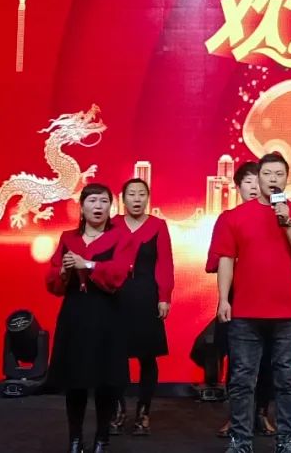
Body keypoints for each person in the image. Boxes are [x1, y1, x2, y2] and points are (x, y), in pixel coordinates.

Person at [212, 152, 291, 453]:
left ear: (287, 178)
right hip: (245, 312)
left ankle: (286, 441)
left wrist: (287, 222)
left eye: (279, 174)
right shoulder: (234, 217)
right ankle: (240, 441)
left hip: (287, 313)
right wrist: (223, 299)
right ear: (257, 178)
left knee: (287, 379)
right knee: (242, 379)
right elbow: (226, 260)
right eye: (267, 174)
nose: (273, 179)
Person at [46, 183, 137, 453]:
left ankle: (101, 439)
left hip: (108, 314)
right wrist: (63, 272)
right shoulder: (68, 238)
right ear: (82, 206)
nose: (98, 207)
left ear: (111, 207)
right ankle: (75, 440)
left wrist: (88, 264)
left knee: (105, 381)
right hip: (75, 314)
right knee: (75, 380)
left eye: (104, 201)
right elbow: (52, 280)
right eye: (92, 201)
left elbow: (119, 274)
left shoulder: (121, 237)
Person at [207, 163, 276, 439]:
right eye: (247, 182)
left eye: (257, 181)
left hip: (269, 296)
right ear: (237, 187)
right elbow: (215, 260)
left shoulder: (277, 216)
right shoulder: (229, 219)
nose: (253, 187)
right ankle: (236, 416)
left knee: (268, 359)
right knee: (238, 361)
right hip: (238, 297)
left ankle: (261, 412)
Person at [110, 177, 174, 436]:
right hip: (116, 296)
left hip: (147, 296)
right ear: (122, 198)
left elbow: (165, 263)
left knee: (147, 356)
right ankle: (118, 411)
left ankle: (143, 413)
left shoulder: (158, 226)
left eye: (141, 194)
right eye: (131, 194)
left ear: (148, 198)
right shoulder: (112, 224)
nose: (137, 199)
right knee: (115, 357)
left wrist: (164, 296)